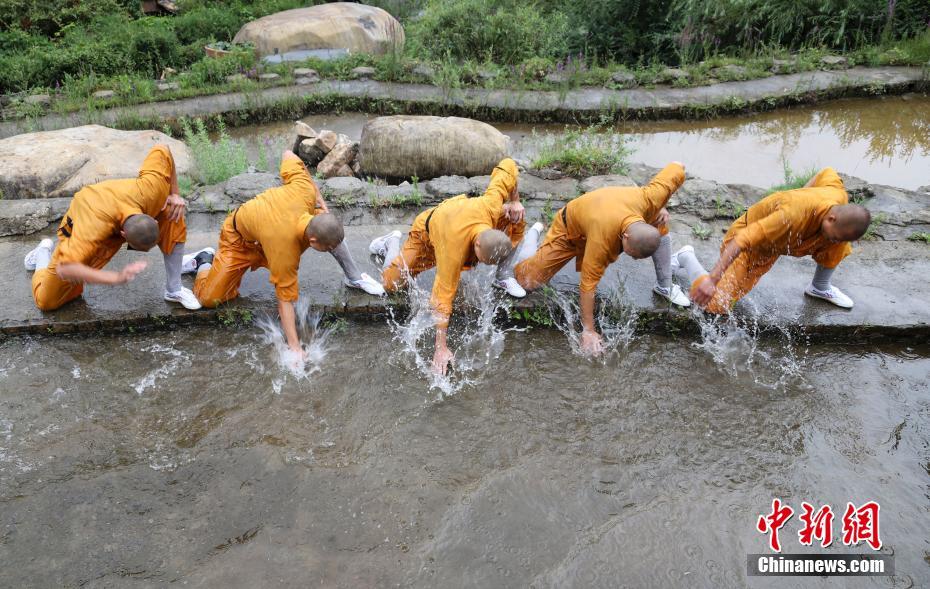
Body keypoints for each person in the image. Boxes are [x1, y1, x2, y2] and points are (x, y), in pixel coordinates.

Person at [186, 150, 383, 356]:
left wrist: (319, 198)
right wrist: (295, 348)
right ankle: (203, 261)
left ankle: (354, 277)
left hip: (279, 229)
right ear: (312, 242)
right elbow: (284, 302)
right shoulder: (285, 251)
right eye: (325, 249)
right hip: (240, 240)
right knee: (210, 299)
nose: (329, 251)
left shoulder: (305, 190)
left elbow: (289, 154)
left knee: (327, 225)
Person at [506, 162, 688, 356]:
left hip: (609, 212)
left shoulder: (652, 198)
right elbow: (587, 285)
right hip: (570, 229)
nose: (633, 260)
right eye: (632, 255)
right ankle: (534, 234)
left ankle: (664, 285)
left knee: (659, 226)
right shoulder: (602, 240)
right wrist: (589, 330)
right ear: (624, 237)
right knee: (527, 281)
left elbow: (679, 167)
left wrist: (661, 205)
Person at [368, 158, 528, 375]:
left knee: (515, 217)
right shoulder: (454, 252)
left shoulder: (491, 206)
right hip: (426, 236)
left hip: (456, 220)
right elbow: (442, 298)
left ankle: (503, 276)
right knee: (391, 283)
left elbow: (508, 165)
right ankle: (391, 243)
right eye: (479, 259)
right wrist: (440, 349)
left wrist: (515, 201)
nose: (479, 264)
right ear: (477, 243)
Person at [24, 144, 200, 311]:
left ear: (153, 220)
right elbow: (66, 268)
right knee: (48, 301)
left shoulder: (152, 190)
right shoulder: (89, 234)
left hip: (116, 201)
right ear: (123, 235)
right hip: (87, 211)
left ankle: (174, 289)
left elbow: (163, 150)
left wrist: (175, 194)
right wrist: (115, 278)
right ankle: (42, 253)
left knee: (172, 210)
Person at [675, 166, 870, 313]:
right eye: (835, 236)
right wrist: (712, 279)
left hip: (776, 245)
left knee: (838, 248)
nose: (834, 241)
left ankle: (820, 287)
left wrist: (803, 191)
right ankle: (686, 257)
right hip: (751, 245)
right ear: (831, 218)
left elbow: (827, 172)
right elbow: (742, 240)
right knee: (717, 305)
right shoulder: (790, 217)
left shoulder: (839, 196)